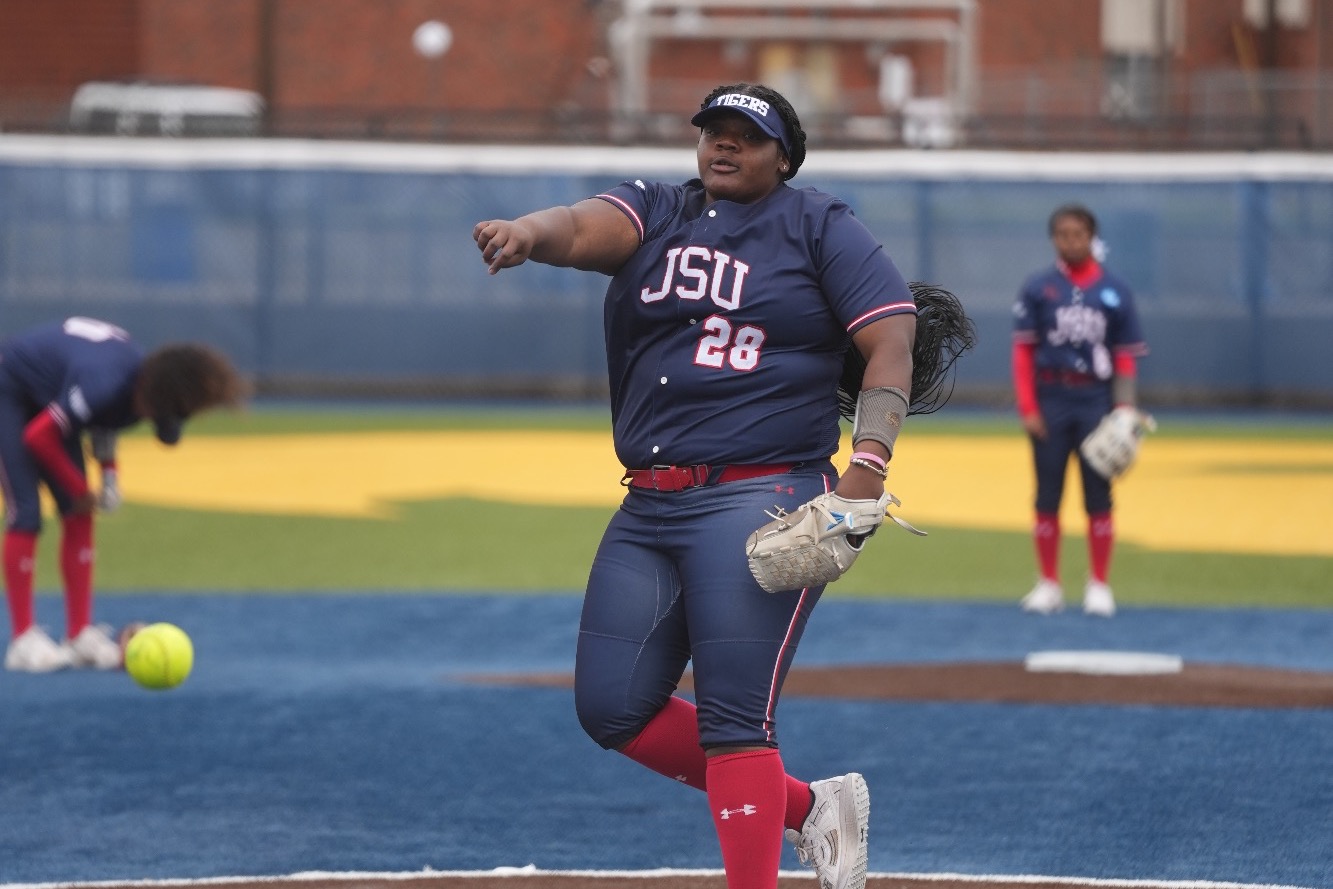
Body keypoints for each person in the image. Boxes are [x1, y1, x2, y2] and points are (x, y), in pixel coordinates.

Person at [473, 83, 974, 889]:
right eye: (713, 129)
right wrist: (526, 233)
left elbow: (890, 340)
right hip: (650, 500)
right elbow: (577, 227)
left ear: (784, 153)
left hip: (760, 491)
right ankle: (811, 808)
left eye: (747, 134)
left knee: (734, 720)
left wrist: (866, 466)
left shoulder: (819, 226)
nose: (724, 144)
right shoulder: (657, 210)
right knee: (612, 708)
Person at [2, 316, 246, 672]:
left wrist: (109, 476)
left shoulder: (138, 388)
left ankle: (79, 634)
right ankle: (23, 640)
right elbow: (39, 436)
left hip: (49, 398)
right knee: (25, 511)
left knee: (79, 513)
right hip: (9, 387)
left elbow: (103, 420)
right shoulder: (106, 382)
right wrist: (79, 487)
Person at [1012, 204, 1148, 618]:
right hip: (1051, 397)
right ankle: (1049, 583)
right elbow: (1023, 352)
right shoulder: (1039, 288)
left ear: (1092, 237)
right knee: (1047, 495)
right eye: (1063, 233)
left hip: (1095, 400)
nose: (1071, 240)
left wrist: (1124, 409)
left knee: (1098, 495)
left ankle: (1099, 584)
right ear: (1054, 238)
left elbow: (1125, 357)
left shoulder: (1114, 290)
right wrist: (1028, 406)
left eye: (1079, 233)